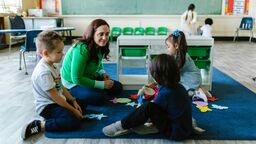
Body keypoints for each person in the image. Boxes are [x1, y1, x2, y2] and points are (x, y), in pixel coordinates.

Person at [103, 54, 193, 141]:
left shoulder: (165, 93)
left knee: (147, 107)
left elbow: (151, 111)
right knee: (152, 106)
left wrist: (139, 112)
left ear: (158, 76)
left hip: (174, 132)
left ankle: (121, 126)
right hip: (185, 128)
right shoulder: (180, 87)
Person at [21, 31, 87, 140]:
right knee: (73, 121)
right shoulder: (43, 72)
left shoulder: (52, 65)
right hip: (48, 107)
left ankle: (67, 114)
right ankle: (39, 125)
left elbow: (61, 87)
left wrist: (73, 101)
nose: (63, 54)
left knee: (82, 103)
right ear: (46, 53)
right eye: (59, 52)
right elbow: (55, 97)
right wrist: (73, 110)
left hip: (58, 101)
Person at [61, 19, 123, 105]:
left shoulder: (100, 45)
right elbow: (76, 79)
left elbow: (98, 62)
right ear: (92, 34)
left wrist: (102, 73)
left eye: (107, 34)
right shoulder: (81, 49)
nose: (104, 38)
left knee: (118, 87)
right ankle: (69, 94)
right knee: (101, 97)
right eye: (100, 34)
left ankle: (90, 90)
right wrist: (102, 85)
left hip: (89, 77)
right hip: (73, 83)